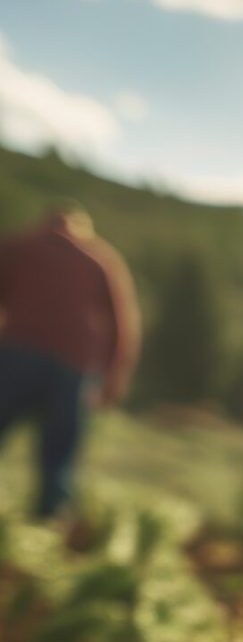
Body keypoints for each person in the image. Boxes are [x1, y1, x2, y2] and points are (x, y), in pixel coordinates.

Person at [0, 202, 140, 518]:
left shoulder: (18, 246)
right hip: (71, 366)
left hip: (15, 357)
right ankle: (47, 529)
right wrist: (114, 378)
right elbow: (123, 324)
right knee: (59, 458)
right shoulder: (99, 258)